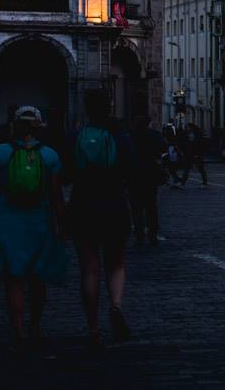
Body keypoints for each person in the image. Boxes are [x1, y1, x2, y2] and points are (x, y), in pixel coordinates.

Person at [0, 106, 67, 354]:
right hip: (39, 223)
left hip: (7, 223)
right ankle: (35, 326)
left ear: (14, 126)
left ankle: (18, 331)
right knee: (38, 281)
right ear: (38, 128)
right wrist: (63, 227)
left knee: (14, 280)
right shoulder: (49, 156)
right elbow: (57, 197)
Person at [68, 92, 135, 344]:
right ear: (110, 107)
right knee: (116, 263)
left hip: (83, 205)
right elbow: (131, 169)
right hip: (115, 204)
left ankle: (93, 327)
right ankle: (116, 305)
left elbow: (65, 173)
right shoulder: (120, 136)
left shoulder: (76, 136)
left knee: (89, 269)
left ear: (86, 109)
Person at [129, 118, 167, 246]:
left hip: (134, 174)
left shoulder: (130, 135)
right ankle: (153, 234)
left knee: (136, 207)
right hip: (150, 173)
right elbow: (163, 149)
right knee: (151, 206)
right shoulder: (154, 135)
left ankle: (139, 235)